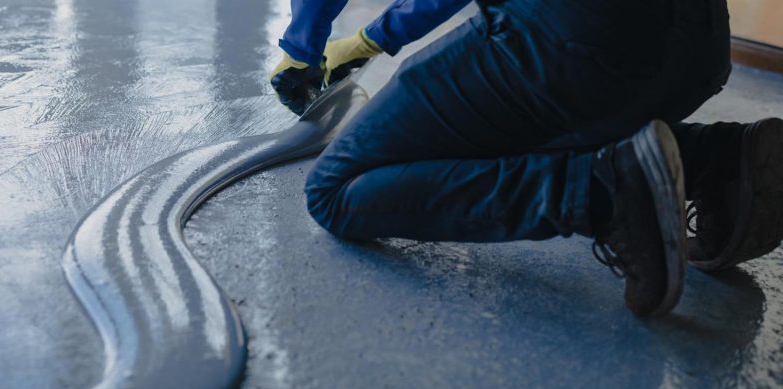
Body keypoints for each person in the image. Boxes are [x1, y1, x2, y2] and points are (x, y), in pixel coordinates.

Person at [269, 0, 783, 317]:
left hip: (580, 39)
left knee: (333, 190)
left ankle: (602, 194)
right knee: (508, 124)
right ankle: (714, 158)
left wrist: (306, 45)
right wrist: (369, 40)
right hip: (701, 49)